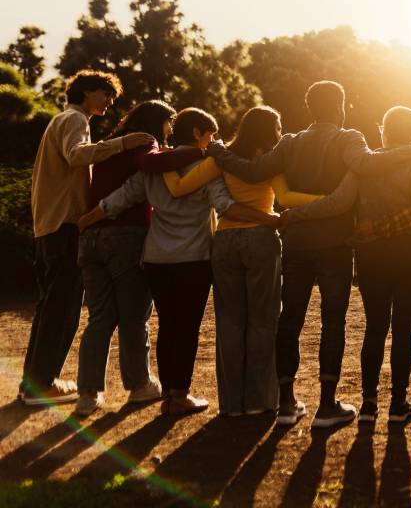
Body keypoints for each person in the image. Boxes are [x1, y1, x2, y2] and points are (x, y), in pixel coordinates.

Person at [207, 81, 411, 428]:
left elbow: (252, 171)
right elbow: (366, 165)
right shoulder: (349, 138)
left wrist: (218, 151)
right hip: (334, 244)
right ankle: (327, 405)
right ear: (340, 106)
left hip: (296, 244)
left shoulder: (289, 142)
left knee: (290, 319)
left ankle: (285, 404)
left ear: (310, 109)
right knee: (332, 321)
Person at [279, 105, 411, 424]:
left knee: (375, 326)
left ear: (384, 129)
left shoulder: (363, 167)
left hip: (372, 255)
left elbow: (338, 202)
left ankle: (369, 404)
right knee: (403, 328)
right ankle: (399, 403)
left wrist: (294, 215)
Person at [79, 108, 280, 415]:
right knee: (186, 328)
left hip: (157, 258)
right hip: (193, 258)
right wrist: (267, 218)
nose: (213, 141)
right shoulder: (205, 164)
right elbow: (225, 205)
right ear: (199, 133)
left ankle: (168, 396)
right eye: (210, 134)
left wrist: (84, 222)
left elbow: (121, 197)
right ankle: (179, 395)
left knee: (167, 326)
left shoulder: (155, 166)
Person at [162, 106, 324, 417]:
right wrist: (326, 201)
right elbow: (286, 198)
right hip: (261, 239)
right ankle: (261, 401)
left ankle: (233, 405)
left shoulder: (219, 159)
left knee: (230, 323)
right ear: (269, 130)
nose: (280, 133)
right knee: (263, 322)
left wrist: (161, 156)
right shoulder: (269, 162)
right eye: (278, 127)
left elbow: (180, 187)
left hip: (224, 243)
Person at [22, 70, 155, 407]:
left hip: (48, 227)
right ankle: (43, 385)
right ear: (88, 92)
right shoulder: (74, 119)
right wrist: (122, 143)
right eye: (105, 94)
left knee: (50, 306)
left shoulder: (59, 121)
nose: (109, 103)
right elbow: (77, 155)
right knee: (64, 308)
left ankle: (34, 383)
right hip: (65, 225)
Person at [75, 100, 204, 416]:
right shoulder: (146, 142)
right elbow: (152, 166)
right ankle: (139, 385)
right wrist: (204, 152)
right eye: (168, 124)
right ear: (158, 122)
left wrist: (89, 220)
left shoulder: (114, 145)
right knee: (134, 316)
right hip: (125, 235)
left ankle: (88, 394)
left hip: (92, 238)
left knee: (100, 317)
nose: (170, 131)